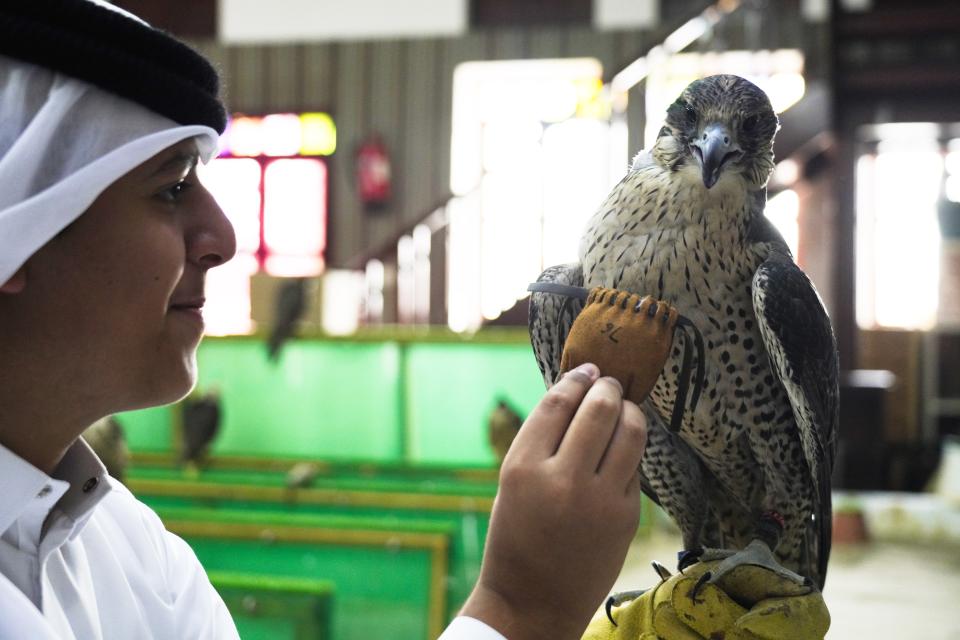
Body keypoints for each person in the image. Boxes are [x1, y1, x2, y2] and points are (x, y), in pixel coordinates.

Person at [0, 1, 648, 639]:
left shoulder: (125, 549)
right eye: (170, 189)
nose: (223, 238)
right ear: (15, 240)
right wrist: (519, 610)